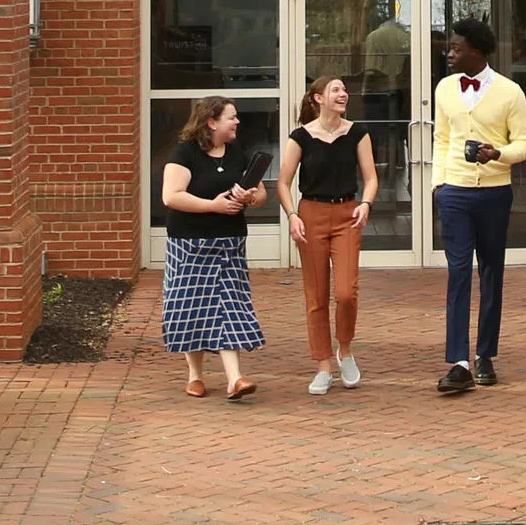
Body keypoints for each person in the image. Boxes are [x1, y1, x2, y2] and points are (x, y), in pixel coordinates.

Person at [431, 15, 526, 396]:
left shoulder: (510, 92)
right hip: (454, 191)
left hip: (494, 193)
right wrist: (438, 183)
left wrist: (498, 153)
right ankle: (458, 361)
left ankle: (485, 354)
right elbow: (442, 138)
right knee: (458, 272)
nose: (450, 53)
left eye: (456, 48)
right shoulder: (444, 89)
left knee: (491, 272)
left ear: (476, 50)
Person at [160, 96, 267, 399]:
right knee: (191, 308)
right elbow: (171, 196)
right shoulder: (185, 154)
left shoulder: (237, 153)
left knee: (229, 306)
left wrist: (248, 197)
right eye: (231, 117)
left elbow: (260, 195)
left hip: (230, 244)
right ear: (212, 122)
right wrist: (213, 205)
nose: (237, 122)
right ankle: (195, 375)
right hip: (190, 244)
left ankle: (235, 379)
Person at [279, 74, 377, 395]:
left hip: (347, 214)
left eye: (345, 90)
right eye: (336, 89)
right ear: (318, 98)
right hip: (311, 215)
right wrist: (292, 215)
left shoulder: (358, 134)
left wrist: (365, 203)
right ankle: (323, 364)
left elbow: (371, 178)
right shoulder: (301, 137)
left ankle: (345, 350)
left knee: (346, 292)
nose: (343, 94)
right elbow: (283, 182)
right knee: (316, 294)